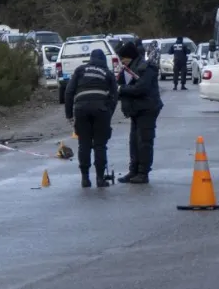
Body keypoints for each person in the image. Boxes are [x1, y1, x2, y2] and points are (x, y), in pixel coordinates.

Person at [64, 48, 119, 188]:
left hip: (81, 110)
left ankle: (85, 179)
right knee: (100, 145)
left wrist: (69, 114)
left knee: (84, 144)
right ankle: (100, 179)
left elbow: (69, 92)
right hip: (101, 110)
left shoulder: (80, 70)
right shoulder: (108, 73)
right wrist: (109, 113)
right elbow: (114, 96)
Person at [115, 42, 163, 184]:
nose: (122, 61)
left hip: (147, 109)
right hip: (135, 110)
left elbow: (141, 88)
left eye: (123, 58)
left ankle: (143, 173)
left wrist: (121, 89)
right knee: (134, 141)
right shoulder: (128, 68)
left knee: (144, 141)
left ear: (130, 56)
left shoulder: (145, 67)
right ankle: (133, 170)